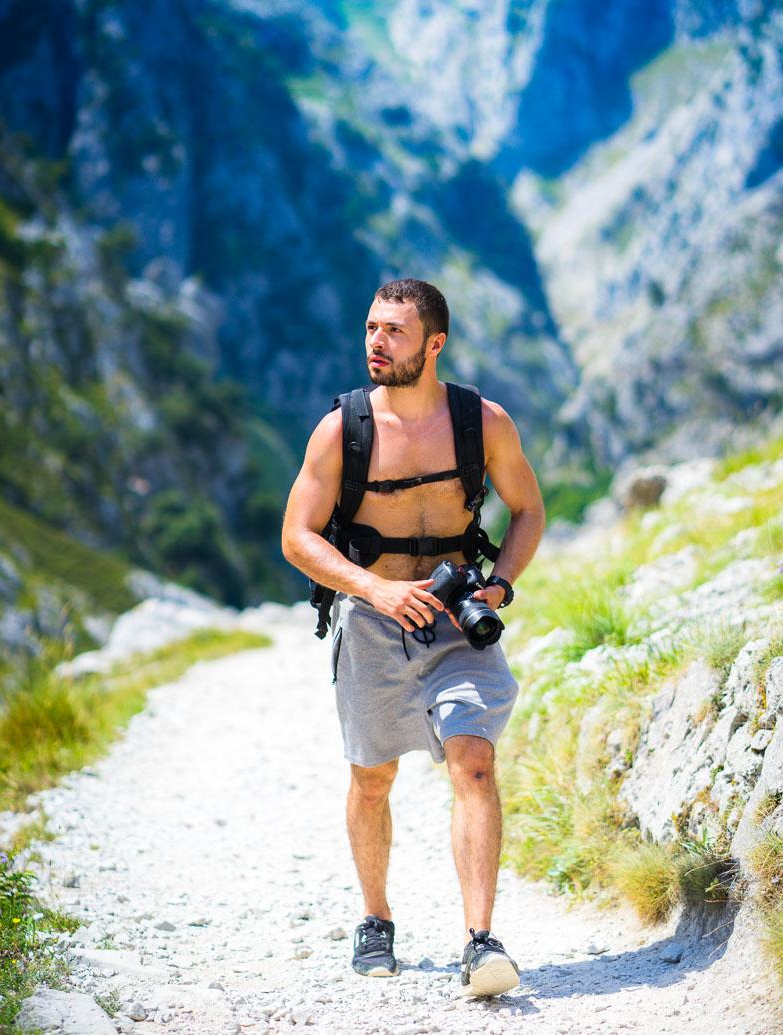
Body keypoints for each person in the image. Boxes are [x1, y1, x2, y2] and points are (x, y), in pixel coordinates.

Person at [281, 278, 545, 997]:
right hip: (371, 621)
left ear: (434, 343)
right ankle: (375, 917)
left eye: (394, 330)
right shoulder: (343, 429)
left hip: (458, 618)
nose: (375, 341)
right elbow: (296, 536)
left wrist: (502, 583)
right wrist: (372, 587)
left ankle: (479, 940)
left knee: (474, 762)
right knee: (373, 777)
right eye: (371, 327)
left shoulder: (481, 422)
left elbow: (528, 509)